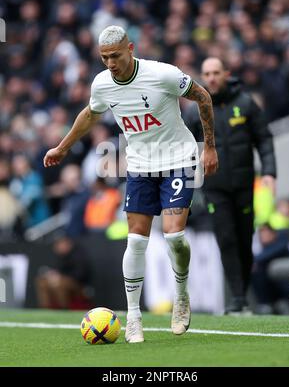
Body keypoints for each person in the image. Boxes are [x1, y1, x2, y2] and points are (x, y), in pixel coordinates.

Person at [43, 25, 218, 342]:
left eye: (115, 55)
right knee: (136, 241)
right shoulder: (102, 84)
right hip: (139, 165)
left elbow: (203, 96)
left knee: (175, 236)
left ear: (131, 48)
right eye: (104, 57)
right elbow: (90, 114)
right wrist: (63, 147)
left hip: (178, 158)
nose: (110, 63)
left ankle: (181, 297)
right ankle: (134, 316)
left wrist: (210, 146)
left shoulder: (162, 75)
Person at [185, 57, 276, 314]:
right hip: (215, 188)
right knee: (225, 238)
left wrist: (269, 172)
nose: (211, 78)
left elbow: (265, 139)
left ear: (227, 73)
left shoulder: (246, 104)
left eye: (216, 73)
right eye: (206, 73)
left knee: (244, 239)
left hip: (245, 185)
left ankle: (242, 294)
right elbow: (185, 146)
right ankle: (238, 298)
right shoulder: (194, 111)